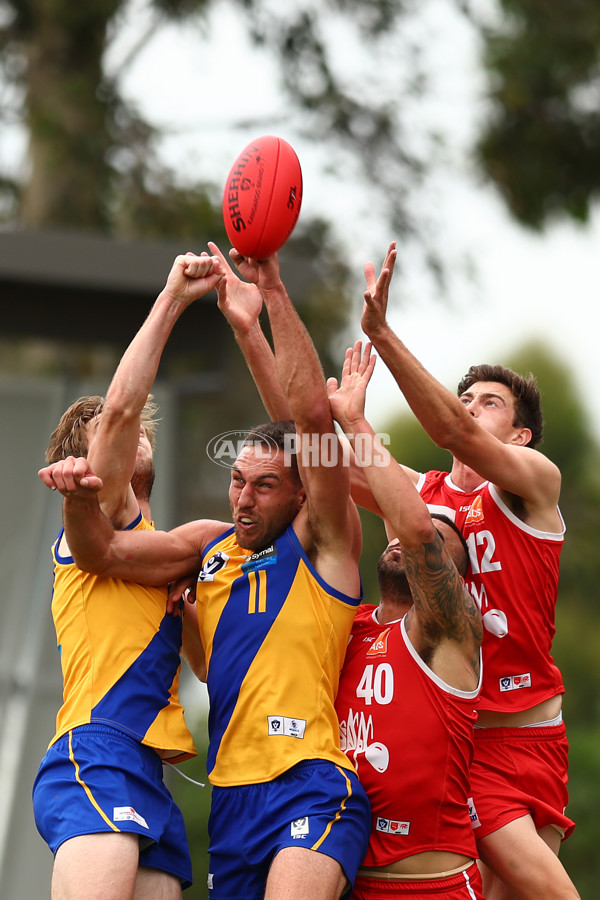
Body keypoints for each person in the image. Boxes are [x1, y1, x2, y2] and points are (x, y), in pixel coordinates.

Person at [38, 248, 372, 900]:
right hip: (121, 757)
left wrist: (257, 317)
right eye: (236, 480)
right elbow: (100, 547)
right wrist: (81, 501)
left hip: (272, 777)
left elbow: (306, 434)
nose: (243, 497)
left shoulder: (237, 549)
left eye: (263, 483)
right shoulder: (185, 545)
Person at [359, 242, 579, 900]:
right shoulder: (419, 495)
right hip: (468, 742)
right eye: (467, 395)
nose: (469, 404)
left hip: (538, 737)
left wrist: (384, 336)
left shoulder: (533, 485)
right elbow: (324, 451)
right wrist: (263, 317)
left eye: (490, 401)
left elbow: (453, 429)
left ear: (519, 437)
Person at [33, 252, 223, 900]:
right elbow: (118, 411)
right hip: (98, 750)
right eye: (107, 429)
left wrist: (191, 608)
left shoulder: (163, 549)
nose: (129, 425)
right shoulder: (99, 512)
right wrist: (171, 299)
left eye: (137, 424)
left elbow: (210, 669)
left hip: (148, 769)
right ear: (83, 462)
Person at [328, 341, 484, 900]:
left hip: (432, 886)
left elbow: (417, 531)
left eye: (439, 539)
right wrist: (257, 320)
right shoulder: (348, 625)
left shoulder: (451, 629)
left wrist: (356, 421)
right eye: (393, 527)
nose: (404, 534)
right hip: (350, 882)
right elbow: (314, 465)